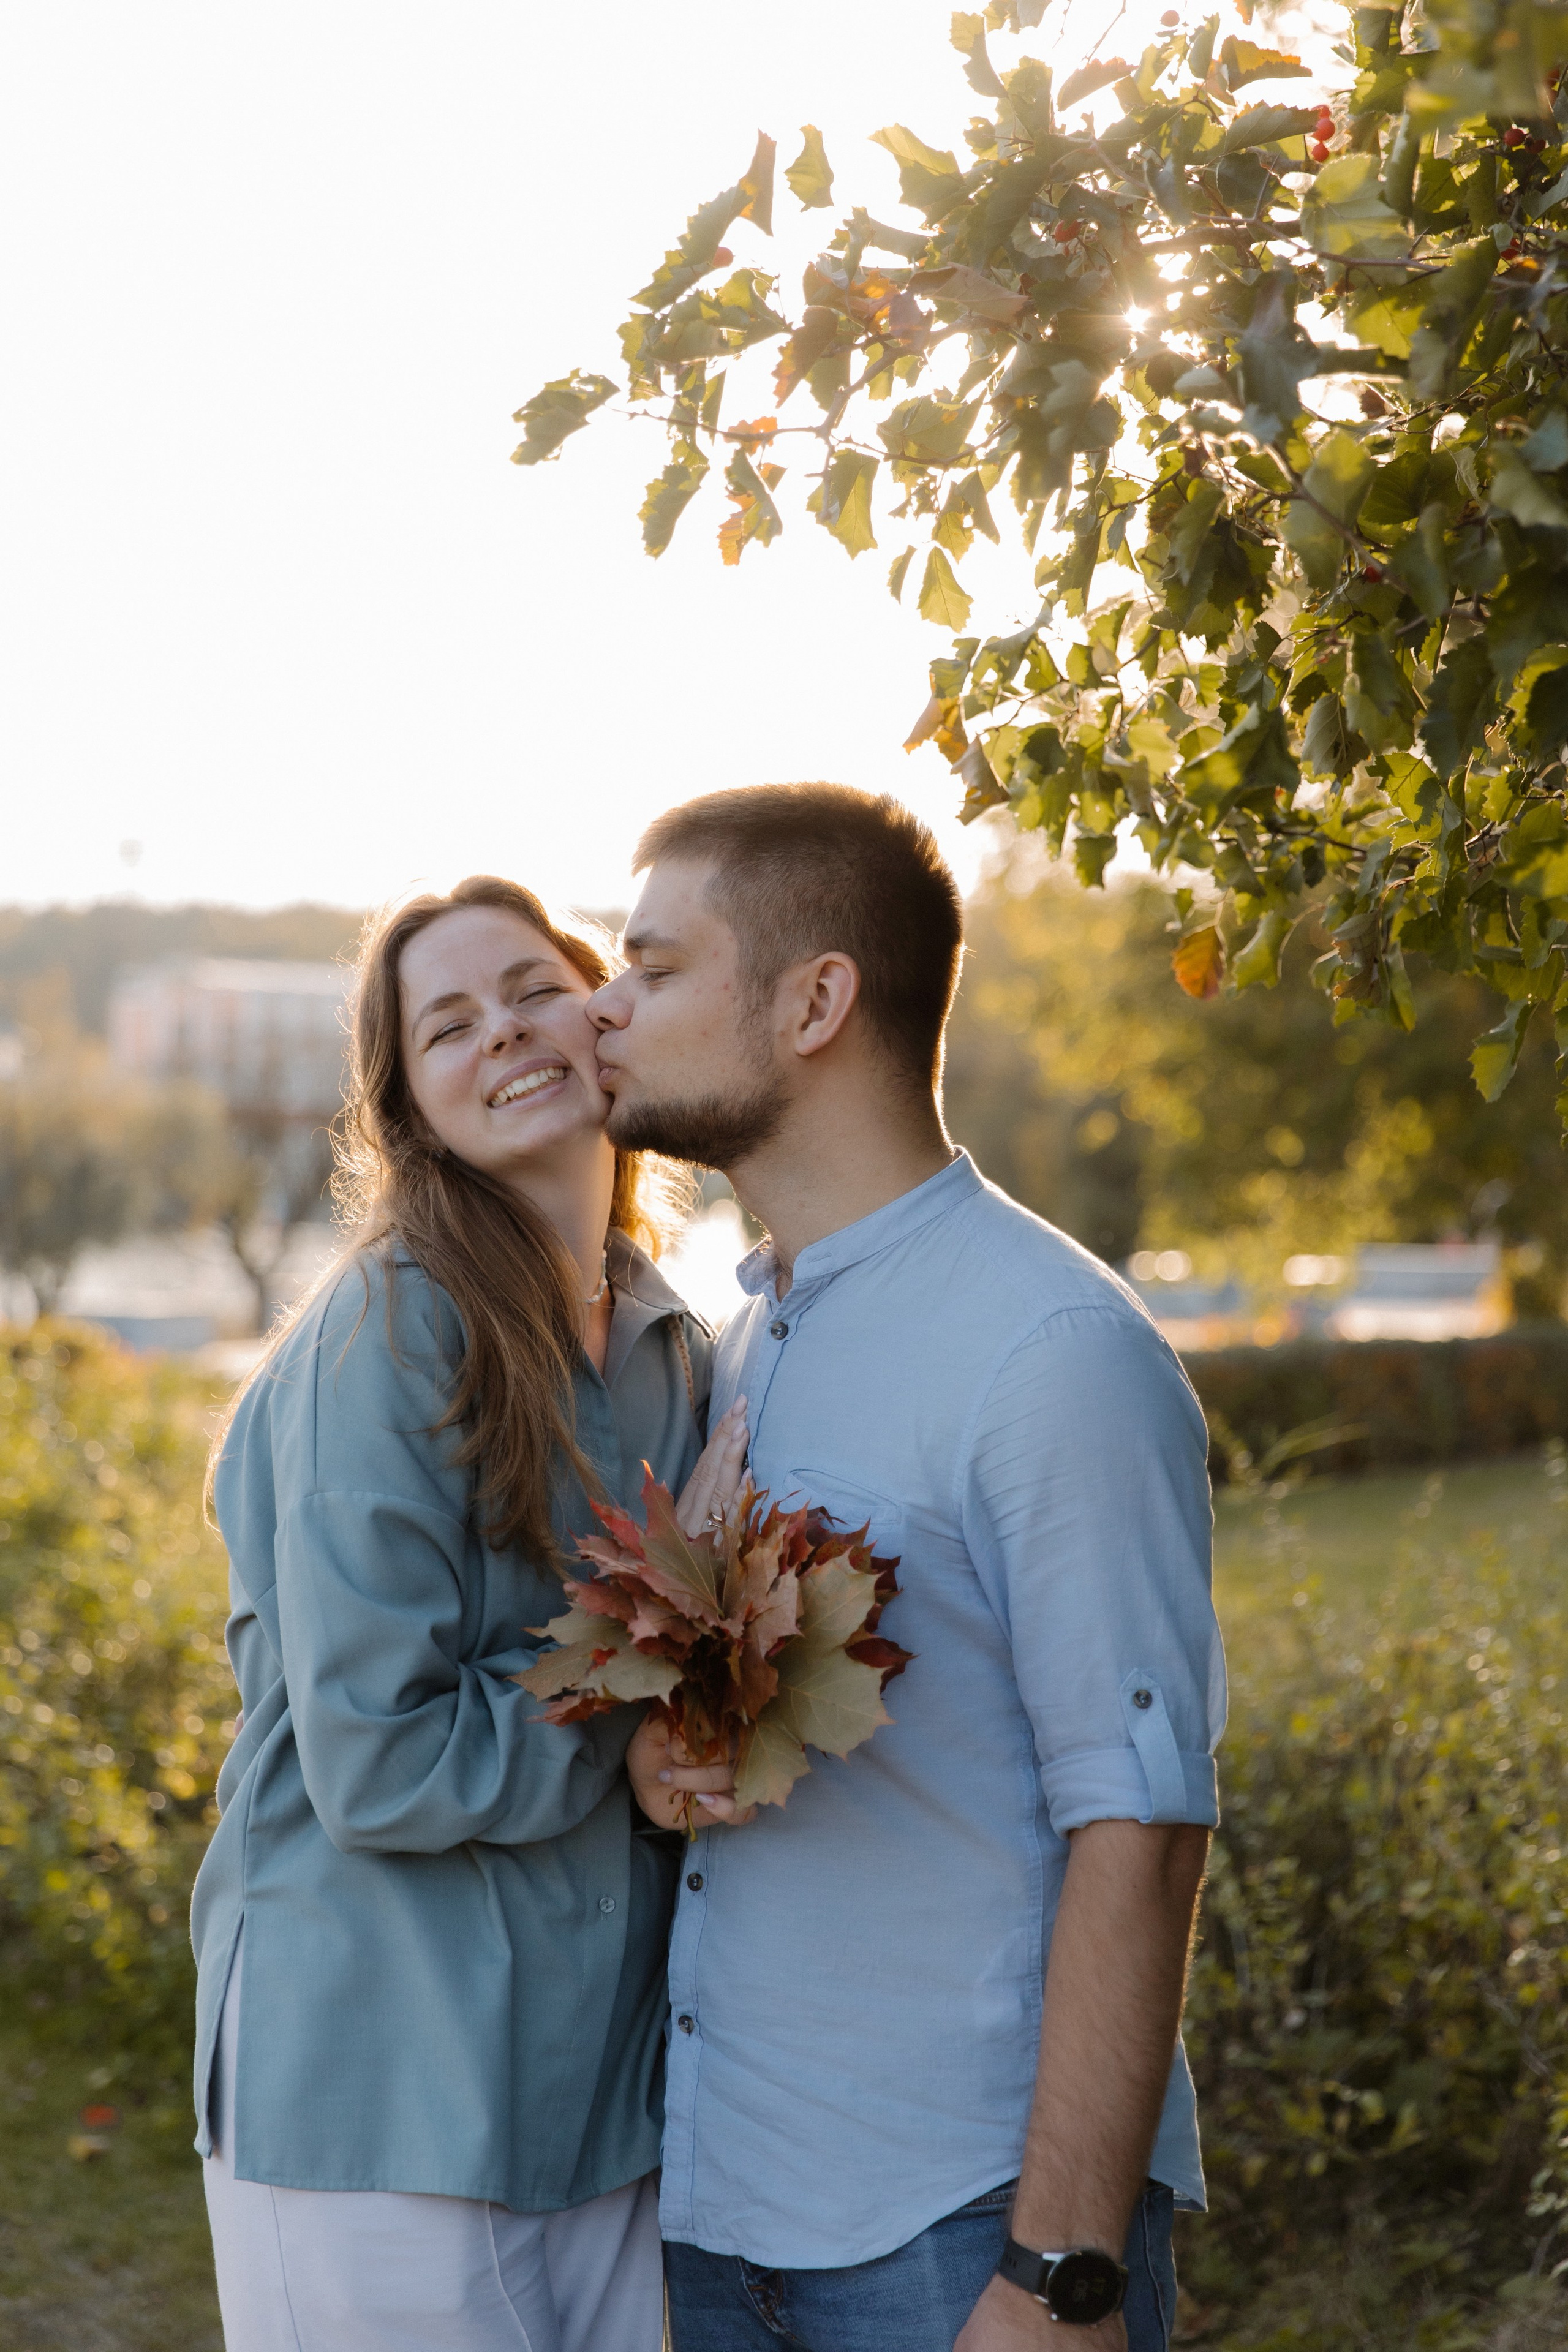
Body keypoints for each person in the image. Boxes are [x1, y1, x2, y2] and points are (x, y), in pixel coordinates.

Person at [598, 787, 1226, 2352]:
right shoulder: (738, 1346)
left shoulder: (1049, 1351)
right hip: (723, 2217)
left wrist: (1061, 2272)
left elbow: (1140, 1823)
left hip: (954, 2243)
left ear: (816, 1000)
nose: (601, 1007)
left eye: (654, 969)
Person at [192, 875, 748, 2352]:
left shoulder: (668, 1342)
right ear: (412, 1112)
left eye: (527, 989)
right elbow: (377, 1758)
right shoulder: (396, 1325)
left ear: (602, 1011)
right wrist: (624, 1701)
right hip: (378, 2089)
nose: (501, 1035)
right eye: (447, 1028)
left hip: (587, 2097)